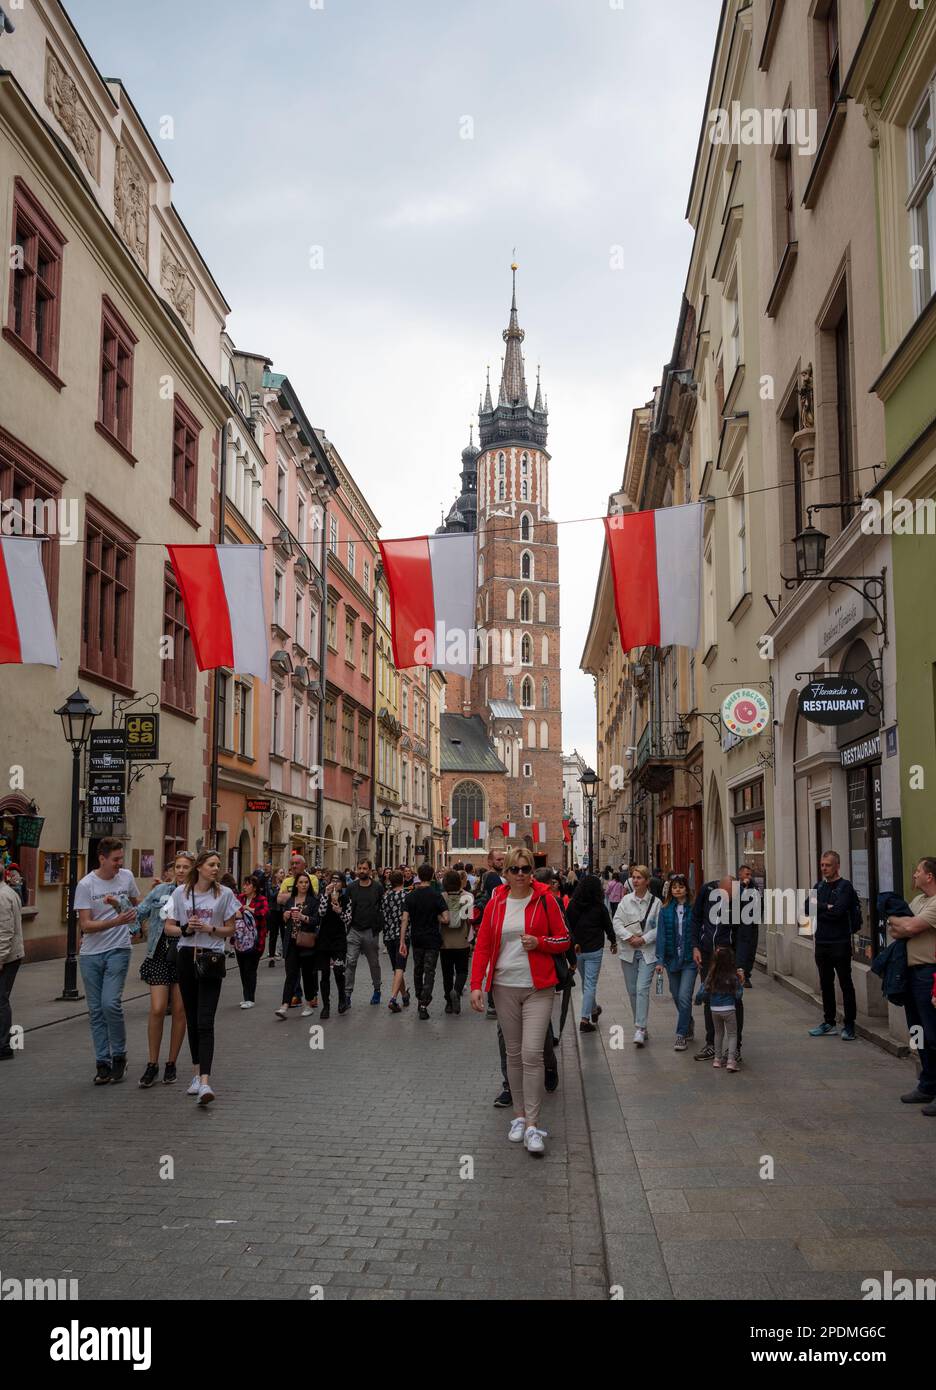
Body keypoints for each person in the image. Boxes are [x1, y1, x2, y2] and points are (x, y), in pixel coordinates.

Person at [470, 846, 571, 1156]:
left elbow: (564, 939)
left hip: (538, 987)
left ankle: (533, 1125)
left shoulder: (546, 900)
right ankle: (518, 1117)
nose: (521, 875)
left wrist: (539, 942)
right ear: (506, 873)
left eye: (526, 869)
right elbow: (484, 946)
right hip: (504, 986)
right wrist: (476, 985)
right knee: (513, 1054)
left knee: (531, 1054)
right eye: (515, 870)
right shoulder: (496, 903)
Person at [165, 850, 238, 1106]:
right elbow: (169, 926)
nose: (216, 868)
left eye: (218, 864)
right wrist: (186, 929)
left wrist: (211, 929)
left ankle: (205, 1082)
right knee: (193, 1018)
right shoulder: (180, 893)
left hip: (212, 957)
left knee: (206, 1019)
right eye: (211, 864)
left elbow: (231, 928)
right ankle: (196, 1073)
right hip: (186, 956)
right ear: (200, 867)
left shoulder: (225, 894)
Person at [75, 838, 141, 1085]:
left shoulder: (126, 877)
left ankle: (120, 1057)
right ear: (101, 858)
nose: (119, 864)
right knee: (96, 1010)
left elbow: (136, 904)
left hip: (119, 949)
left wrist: (134, 919)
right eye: (115, 859)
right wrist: (116, 921)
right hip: (91, 954)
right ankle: (102, 1061)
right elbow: (86, 925)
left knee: (110, 1003)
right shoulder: (86, 885)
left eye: (121, 859)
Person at [136, 851, 194, 1087]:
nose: (180, 871)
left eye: (185, 867)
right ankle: (152, 1063)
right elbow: (139, 912)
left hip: (184, 954)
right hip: (159, 954)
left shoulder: (196, 895)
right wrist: (125, 922)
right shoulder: (160, 891)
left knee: (180, 1011)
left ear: (193, 870)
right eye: (177, 867)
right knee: (158, 1008)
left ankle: (171, 1062)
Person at [887, 857, 936, 1114]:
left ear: (930, 876)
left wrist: (904, 924)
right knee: (917, 1030)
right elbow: (896, 930)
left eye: (918, 871)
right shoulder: (917, 901)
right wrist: (903, 925)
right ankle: (926, 1084)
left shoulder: (935, 903)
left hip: (930, 973)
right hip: (911, 974)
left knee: (933, 1032)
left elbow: (910, 925)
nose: (914, 875)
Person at [691, 875, 747, 1062]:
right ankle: (711, 1045)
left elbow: (744, 935)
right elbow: (696, 918)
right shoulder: (707, 891)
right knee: (709, 994)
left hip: (728, 956)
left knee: (735, 998)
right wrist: (695, 946)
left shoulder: (741, 898)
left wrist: (740, 966)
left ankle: (735, 1047)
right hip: (707, 953)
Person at [808, 851, 859, 1041]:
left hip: (840, 943)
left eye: (827, 865)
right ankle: (829, 1022)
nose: (824, 868)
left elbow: (838, 912)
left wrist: (821, 908)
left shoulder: (845, 887)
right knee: (826, 984)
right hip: (821, 942)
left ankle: (849, 1025)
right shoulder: (819, 886)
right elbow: (807, 908)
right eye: (822, 865)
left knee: (846, 984)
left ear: (837, 866)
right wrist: (826, 907)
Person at [612, 864, 662, 1047]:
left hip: (647, 952)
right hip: (628, 952)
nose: (635, 880)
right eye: (633, 877)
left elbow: (659, 928)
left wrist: (644, 939)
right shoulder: (625, 901)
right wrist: (629, 937)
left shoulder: (656, 903)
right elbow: (616, 922)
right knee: (632, 991)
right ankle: (642, 1025)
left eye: (639, 877)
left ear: (647, 881)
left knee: (641, 989)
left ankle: (640, 1027)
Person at [567, 873, 616, 1032]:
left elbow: (567, 927)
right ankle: (584, 1019)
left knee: (587, 984)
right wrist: (613, 941)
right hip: (594, 949)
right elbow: (608, 925)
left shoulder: (573, 905)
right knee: (590, 984)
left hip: (578, 949)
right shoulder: (599, 906)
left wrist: (573, 943)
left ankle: (594, 1010)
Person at [400, 862, 449, 1019]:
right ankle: (423, 1002)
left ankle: (419, 995)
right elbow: (446, 919)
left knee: (417, 969)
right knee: (430, 971)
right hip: (432, 939)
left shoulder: (411, 896)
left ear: (418, 876)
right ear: (433, 876)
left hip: (417, 938)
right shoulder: (436, 896)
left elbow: (405, 920)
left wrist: (402, 941)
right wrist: (437, 916)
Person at [654, 873, 696, 1050]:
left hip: (689, 960)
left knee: (685, 997)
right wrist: (660, 960)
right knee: (677, 996)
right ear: (670, 890)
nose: (677, 889)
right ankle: (688, 1021)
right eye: (674, 887)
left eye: (680, 886)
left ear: (686, 889)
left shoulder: (694, 908)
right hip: (672, 960)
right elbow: (661, 936)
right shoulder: (665, 910)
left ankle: (681, 1035)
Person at [275, 871, 320, 1020]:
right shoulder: (291, 900)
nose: (303, 885)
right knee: (291, 974)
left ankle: (308, 1004)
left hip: (306, 942)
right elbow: (284, 919)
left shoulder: (313, 901)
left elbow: (316, 921)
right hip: (292, 942)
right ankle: (284, 1005)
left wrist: (303, 917)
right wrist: (285, 916)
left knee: (307, 974)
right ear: (296, 885)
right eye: (301, 882)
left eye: (306, 883)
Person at [344, 860, 384, 1006]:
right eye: (359, 868)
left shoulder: (378, 887)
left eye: (365, 868)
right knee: (350, 962)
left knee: (374, 963)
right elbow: (346, 907)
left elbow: (382, 906)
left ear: (370, 870)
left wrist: (378, 926)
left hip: (371, 931)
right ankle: (347, 994)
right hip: (354, 930)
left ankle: (377, 990)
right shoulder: (351, 887)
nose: (362, 871)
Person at [699, 946, 744, 1072]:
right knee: (732, 1035)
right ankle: (731, 1061)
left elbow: (702, 991)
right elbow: (738, 995)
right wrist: (741, 981)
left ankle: (717, 1059)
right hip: (729, 1009)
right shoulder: (733, 976)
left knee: (718, 1034)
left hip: (714, 1009)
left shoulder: (711, 975)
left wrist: (699, 1000)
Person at [313, 876, 350, 1018]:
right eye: (332, 881)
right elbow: (321, 913)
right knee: (324, 973)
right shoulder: (324, 896)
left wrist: (339, 911)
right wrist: (326, 895)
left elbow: (348, 919)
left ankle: (342, 999)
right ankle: (326, 1006)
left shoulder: (346, 899)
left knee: (339, 971)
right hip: (324, 938)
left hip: (339, 939)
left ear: (343, 884)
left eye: (338, 881)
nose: (335, 884)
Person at [440, 869, 474, 1014]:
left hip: (445, 942)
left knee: (447, 973)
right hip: (462, 940)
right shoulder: (468, 896)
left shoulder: (441, 897)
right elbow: (469, 920)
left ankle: (448, 1002)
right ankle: (457, 990)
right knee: (462, 971)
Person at [234, 873, 269, 1008]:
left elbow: (263, 913)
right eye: (244, 884)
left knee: (250, 969)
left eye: (247, 884)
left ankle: (250, 998)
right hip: (239, 939)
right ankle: (246, 996)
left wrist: (249, 909)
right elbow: (232, 911)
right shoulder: (240, 898)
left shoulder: (261, 899)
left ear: (254, 887)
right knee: (242, 969)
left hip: (256, 939)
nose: (244, 887)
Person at [0, 873, 24, 1060]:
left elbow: (5, 930)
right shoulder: (10, 892)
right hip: (11, 954)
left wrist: (0, 958)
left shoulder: (2, 896)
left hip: (6, 957)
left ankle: (3, 1045)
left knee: (1, 1000)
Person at [381, 869, 411, 1011]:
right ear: (403, 880)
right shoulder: (406, 896)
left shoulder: (386, 897)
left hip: (388, 936)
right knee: (400, 967)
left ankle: (404, 995)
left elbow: (384, 917)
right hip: (402, 937)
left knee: (397, 968)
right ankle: (393, 998)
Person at [737, 864, 762, 988]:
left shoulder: (754, 887)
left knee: (752, 950)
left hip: (753, 923)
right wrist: (742, 886)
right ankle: (741, 974)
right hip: (741, 924)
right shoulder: (737, 887)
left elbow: (759, 902)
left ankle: (747, 974)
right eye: (747, 874)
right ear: (740, 875)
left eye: (750, 875)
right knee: (743, 950)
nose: (749, 877)